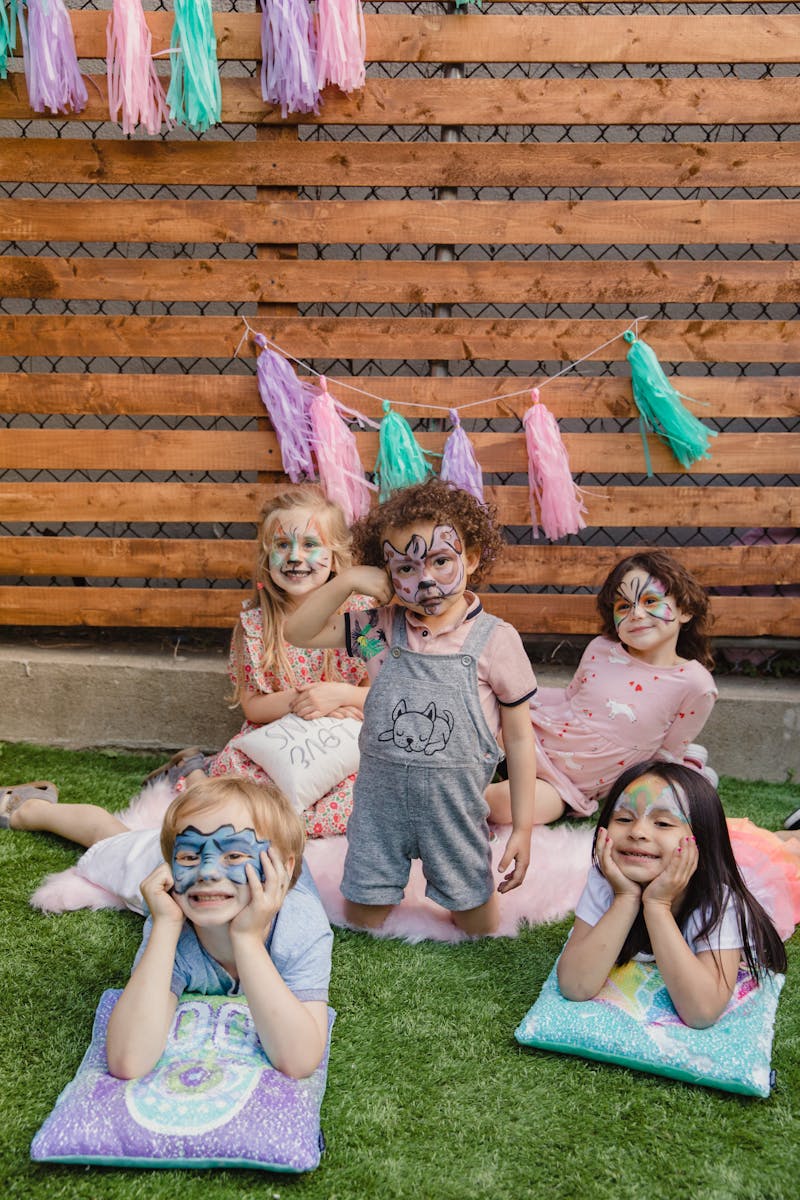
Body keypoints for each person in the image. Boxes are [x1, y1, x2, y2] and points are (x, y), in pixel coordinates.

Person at [0, 485, 370, 848]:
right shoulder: (256, 626)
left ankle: (198, 769)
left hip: (341, 748)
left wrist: (337, 694)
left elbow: (383, 690)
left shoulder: (361, 618)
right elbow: (253, 706)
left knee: (353, 807)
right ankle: (194, 773)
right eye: (282, 545)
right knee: (234, 814)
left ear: (336, 557)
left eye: (309, 544)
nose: (294, 557)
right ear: (265, 556)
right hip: (274, 743)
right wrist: (307, 699)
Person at [284, 478, 538, 937]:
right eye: (405, 567)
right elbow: (298, 632)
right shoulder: (377, 631)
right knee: (361, 921)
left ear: (472, 558)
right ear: (387, 573)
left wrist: (522, 827)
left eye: (441, 561)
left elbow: (520, 740)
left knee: (479, 927)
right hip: (380, 811)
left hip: (455, 811)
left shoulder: (496, 641)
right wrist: (349, 581)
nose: (425, 580)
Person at [105, 775, 332, 1081]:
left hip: (273, 880)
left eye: (235, 855)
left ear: (284, 868)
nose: (208, 871)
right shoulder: (171, 915)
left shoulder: (301, 926)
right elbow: (127, 1060)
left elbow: (299, 1060)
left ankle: (196, 772)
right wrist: (166, 925)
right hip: (146, 853)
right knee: (108, 841)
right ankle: (35, 812)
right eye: (188, 856)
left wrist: (247, 939)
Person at [486, 549, 719, 826]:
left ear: (686, 609)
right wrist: (509, 698)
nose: (636, 613)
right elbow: (569, 698)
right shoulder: (601, 649)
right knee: (487, 719)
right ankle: (449, 780)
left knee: (513, 807)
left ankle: (461, 797)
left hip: (566, 788)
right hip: (528, 740)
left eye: (650, 600)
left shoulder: (696, 684)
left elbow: (666, 756)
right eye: (624, 606)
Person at [557, 761, 791, 1028]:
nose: (637, 832)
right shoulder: (605, 879)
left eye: (664, 823)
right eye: (623, 819)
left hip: (739, 872)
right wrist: (626, 897)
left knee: (783, 856)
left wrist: (657, 905)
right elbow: (575, 986)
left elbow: (701, 1011)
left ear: (700, 838)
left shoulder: (719, 902)